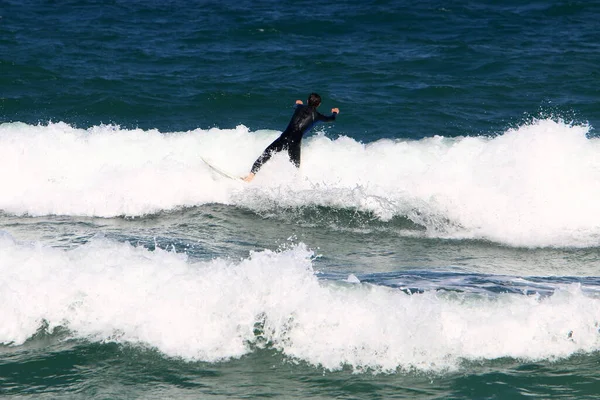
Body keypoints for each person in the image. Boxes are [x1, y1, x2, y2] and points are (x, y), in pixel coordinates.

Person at [243, 93, 339, 182]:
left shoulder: (299, 108)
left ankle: (250, 177)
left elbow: (297, 104)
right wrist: (335, 112)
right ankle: (294, 184)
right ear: (319, 104)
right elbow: (331, 119)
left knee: (267, 154)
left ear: (307, 101)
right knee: (295, 166)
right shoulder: (317, 116)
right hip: (295, 143)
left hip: (284, 138)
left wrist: (298, 103)